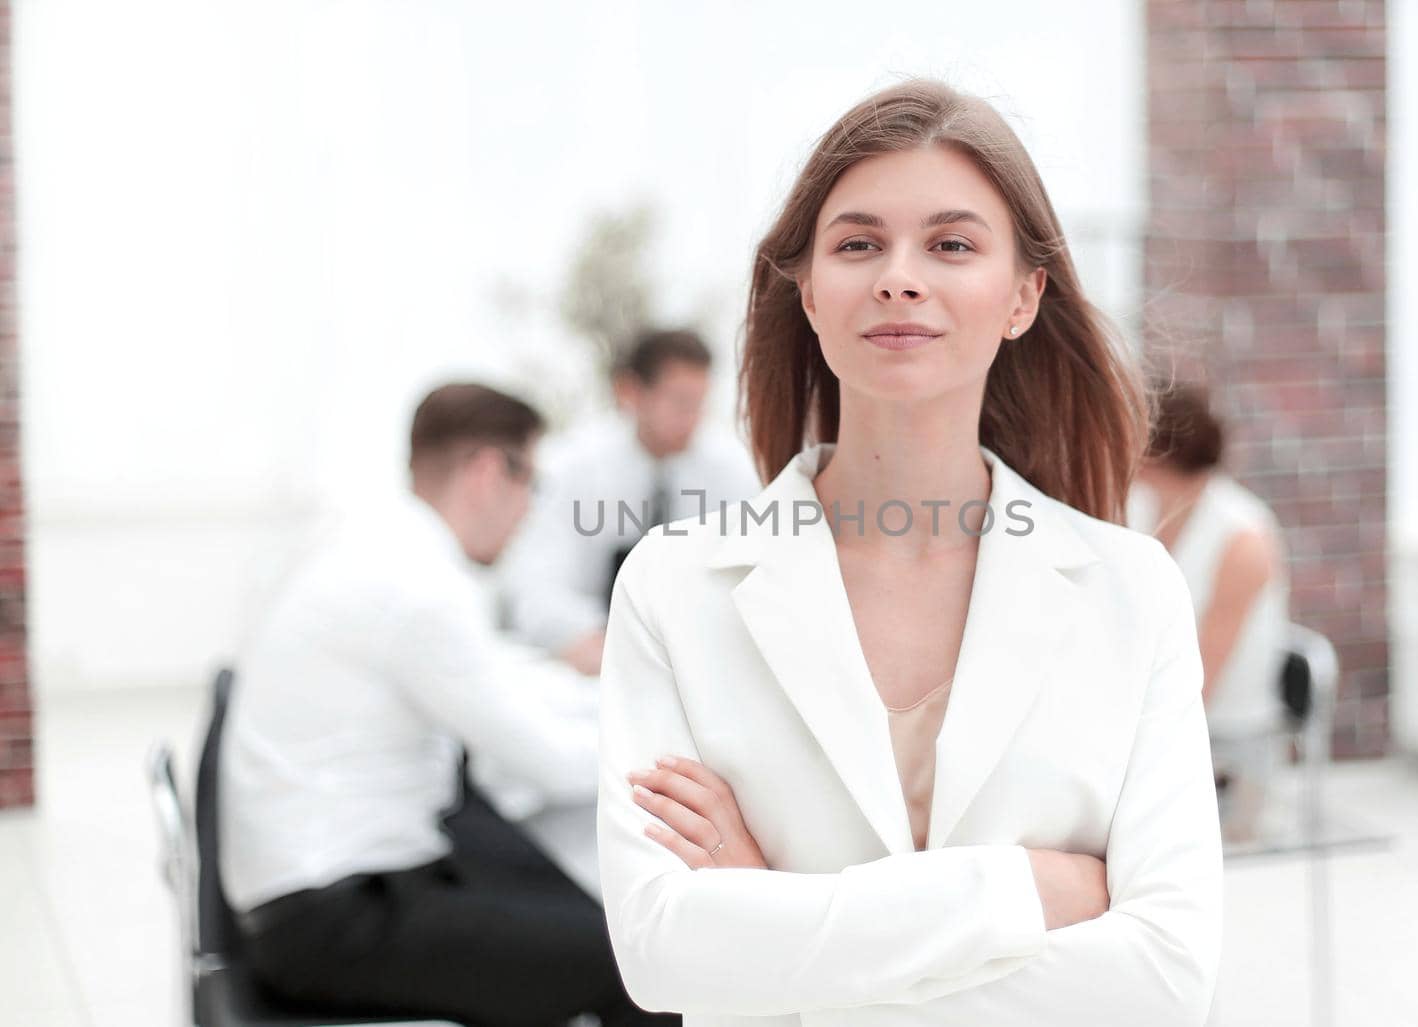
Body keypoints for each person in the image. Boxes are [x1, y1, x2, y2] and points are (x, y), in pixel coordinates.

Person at [596, 81, 1222, 1025]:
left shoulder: (1134, 592)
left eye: (952, 244)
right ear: (808, 291)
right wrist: (1026, 893)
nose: (899, 275)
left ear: (1023, 295)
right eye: (857, 243)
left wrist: (778, 923)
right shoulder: (674, 586)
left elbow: (1168, 977)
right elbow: (661, 954)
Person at [220, 383, 675, 1027]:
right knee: (635, 963)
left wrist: (610, 696)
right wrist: (678, 743)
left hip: (314, 885)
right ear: (490, 471)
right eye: (532, 484)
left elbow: (495, 676)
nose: (528, 510)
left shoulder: (381, 545)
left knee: (559, 888)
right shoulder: (420, 587)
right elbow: (547, 759)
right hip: (330, 920)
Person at [501, 328, 759, 676]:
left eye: (699, 403)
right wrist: (602, 645)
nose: (692, 419)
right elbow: (533, 587)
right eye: (680, 402)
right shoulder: (572, 468)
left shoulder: (734, 472)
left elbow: (751, 582)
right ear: (630, 392)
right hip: (590, 666)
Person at [1131, 381, 1291, 841]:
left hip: (1222, 747)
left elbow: (1200, 683)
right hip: (1158, 725)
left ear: (1152, 449)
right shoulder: (1142, 508)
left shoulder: (1242, 538)